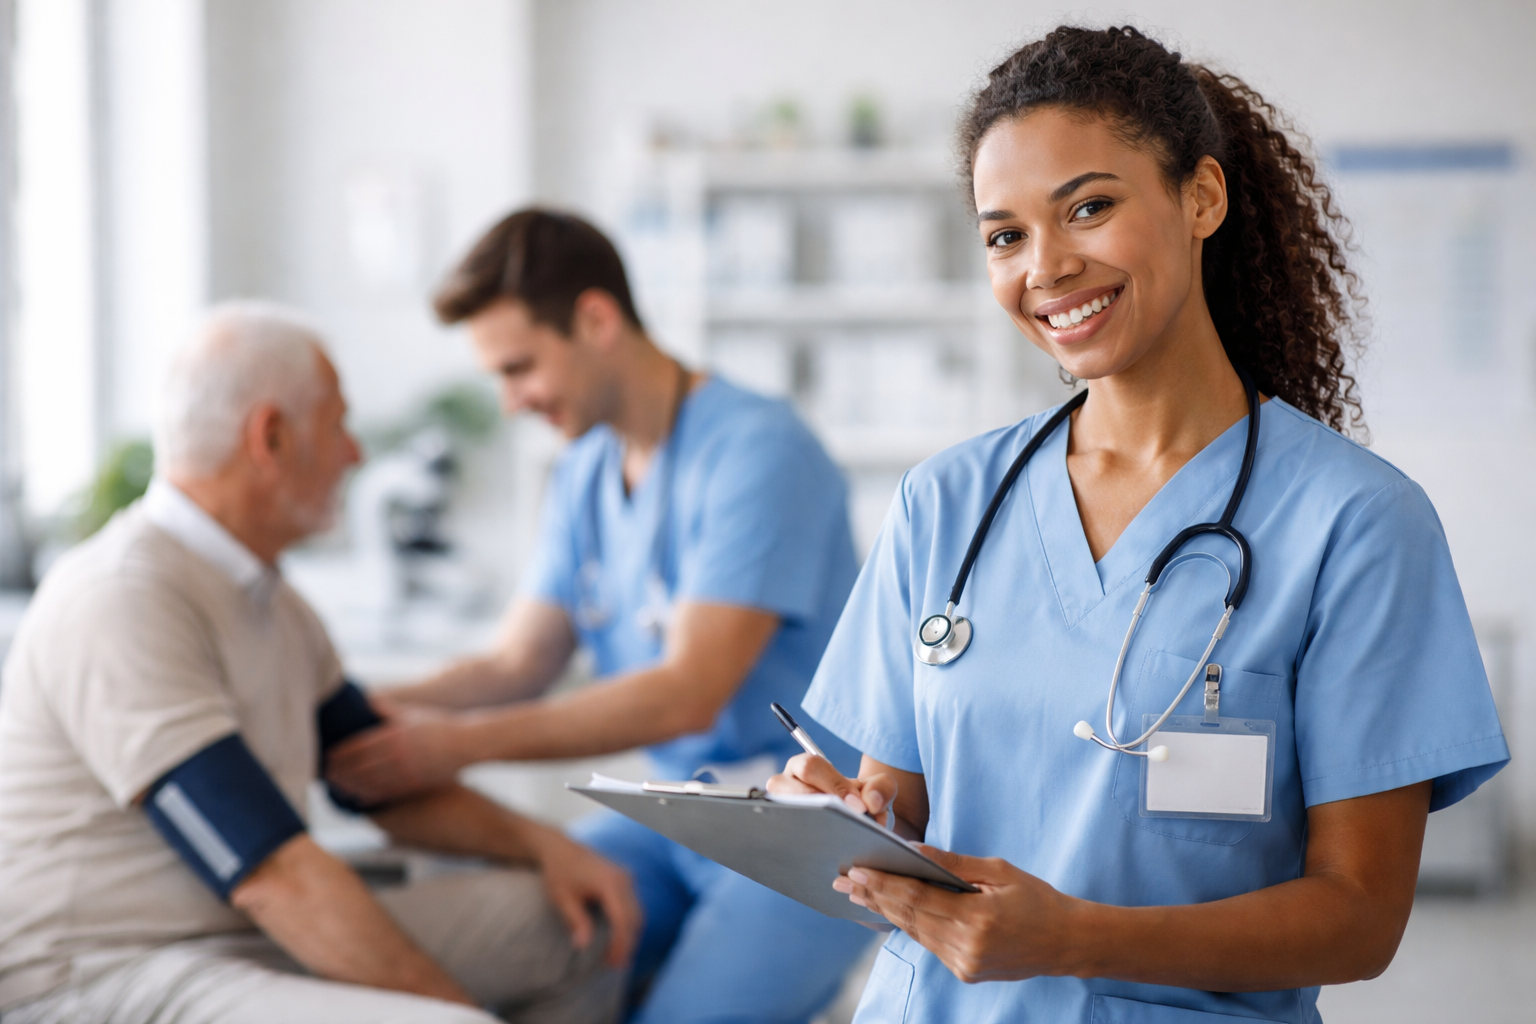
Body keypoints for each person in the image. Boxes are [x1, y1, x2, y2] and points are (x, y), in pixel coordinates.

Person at [768, 25, 1510, 1024]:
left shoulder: (1357, 525)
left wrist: (1072, 936)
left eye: (1089, 207)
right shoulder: (948, 502)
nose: (1047, 266)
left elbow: (1360, 917)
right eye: (1005, 235)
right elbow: (901, 806)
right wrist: (851, 826)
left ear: (1201, 196)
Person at [0, 302, 638, 1024]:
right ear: (270, 437)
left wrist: (548, 847)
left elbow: (380, 779)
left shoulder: (273, 600)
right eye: (338, 424)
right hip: (102, 969)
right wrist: (454, 1008)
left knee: (574, 922)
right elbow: (269, 874)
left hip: (246, 940)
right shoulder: (122, 596)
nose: (356, 454)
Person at [324, 210, 874, 1022]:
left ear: (596, 319)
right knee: (532, 941)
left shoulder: (759, 450)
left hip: (806, 826)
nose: (512, 403)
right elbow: (517, 664)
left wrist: (450, 748)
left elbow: (687, 692)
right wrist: (361, 707)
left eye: (520, 369)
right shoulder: (585, 470)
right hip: (680, 812)